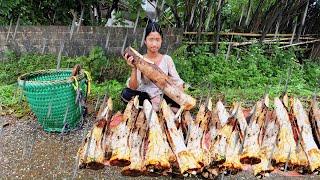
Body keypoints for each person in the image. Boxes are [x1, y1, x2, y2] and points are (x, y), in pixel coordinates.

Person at [121, 21, 184, 111]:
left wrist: (182, 97)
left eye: (157, 40)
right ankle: (160, 108)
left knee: (178, 98)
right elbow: (133, 87)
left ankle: (151, 108)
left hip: (163, 95)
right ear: (145, 41)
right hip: (146, 97)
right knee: (126, 93)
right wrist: (134, 68)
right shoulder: (140, 60)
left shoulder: (167, 59)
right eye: (151, 39)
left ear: (161, 40)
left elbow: (177, 81)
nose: (154, 44)